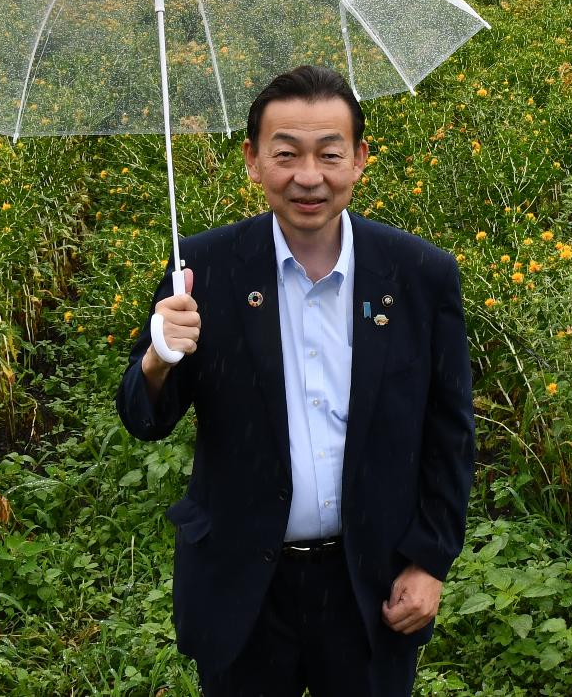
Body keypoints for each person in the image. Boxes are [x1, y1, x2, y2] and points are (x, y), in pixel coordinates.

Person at [116, 64, 475, 697]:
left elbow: (449, 433)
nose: (308, 176)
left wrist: (430, 560)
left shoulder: (419, 275)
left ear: (360, 159)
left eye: (329, 153)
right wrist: (158, 357)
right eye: (286, 154)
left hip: (370, 582)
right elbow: (146, 419)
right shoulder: (203, 267)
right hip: (244, 587)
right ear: (253, 160)